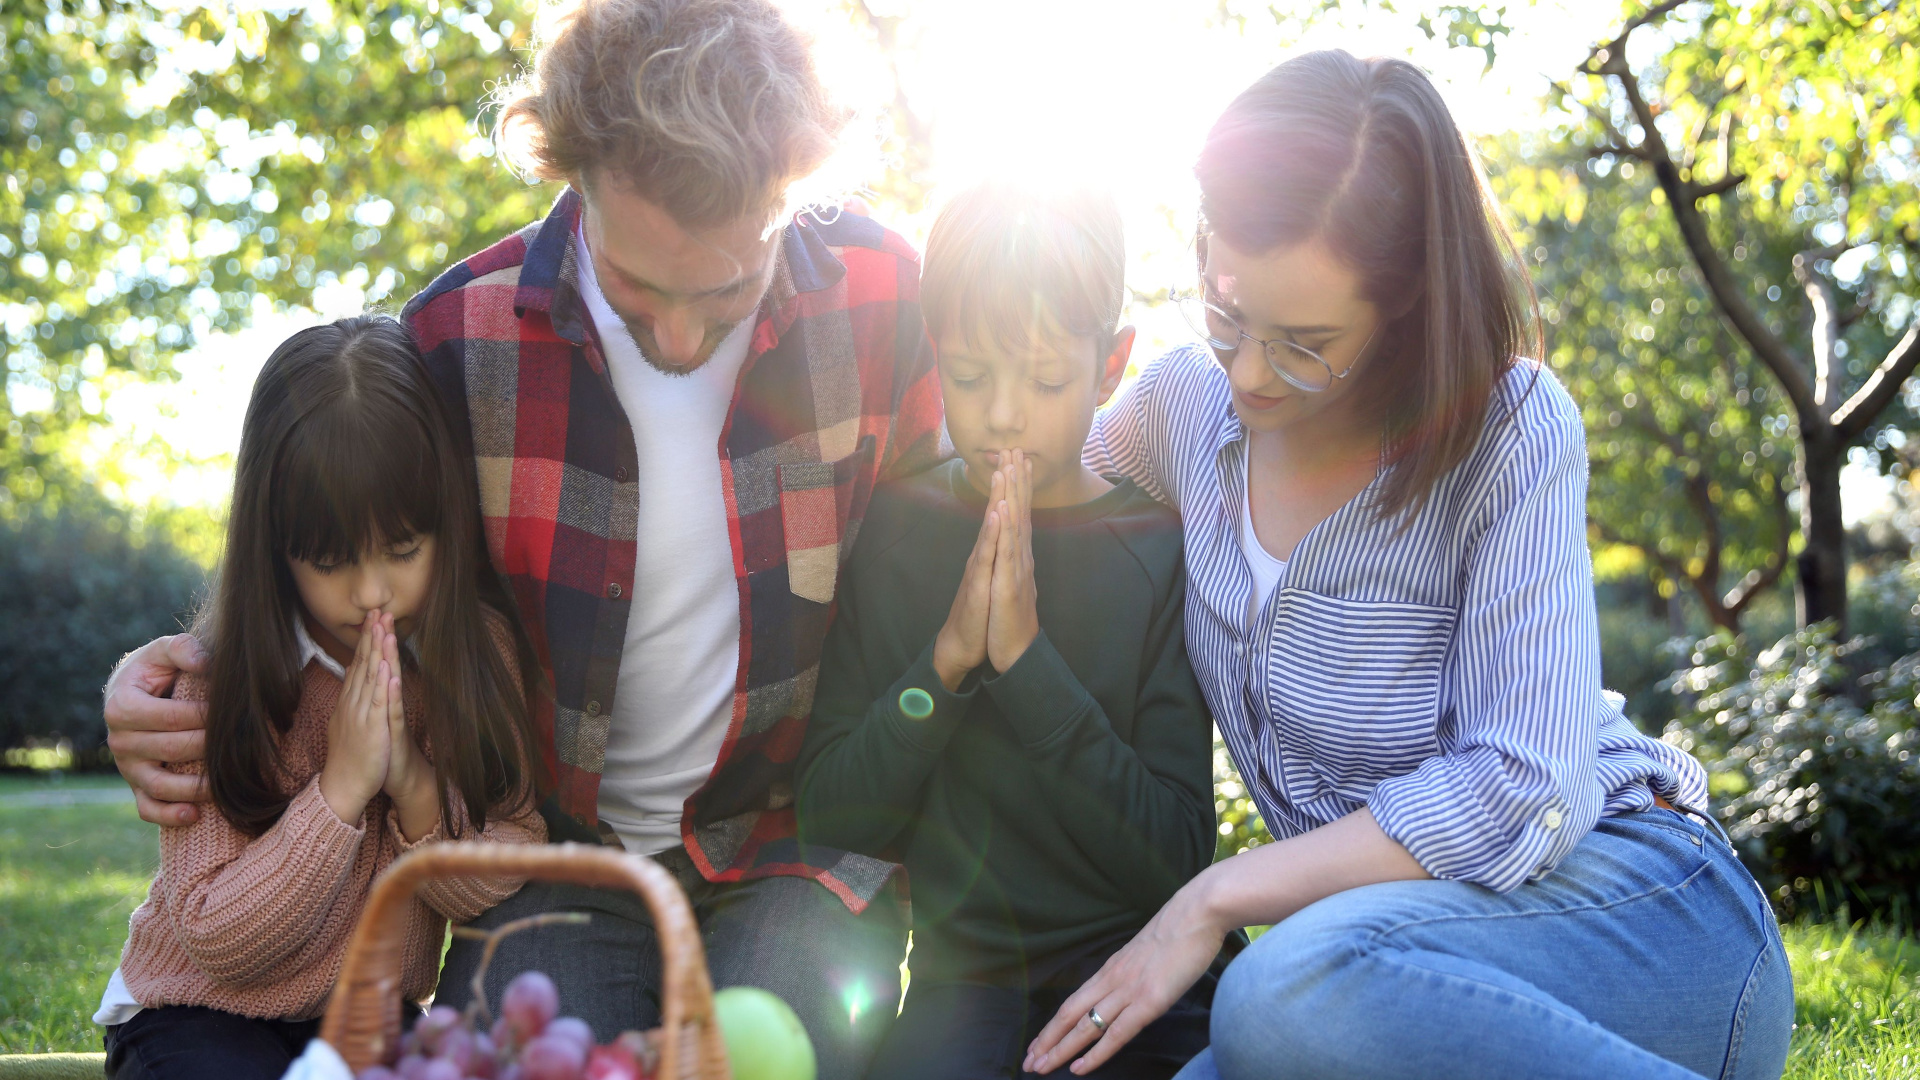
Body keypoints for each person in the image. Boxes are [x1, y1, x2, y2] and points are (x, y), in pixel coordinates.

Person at [99, 2, 943, 1074]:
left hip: (791, 845)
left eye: (729, 285)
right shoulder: (456, 342)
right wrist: (172, 671)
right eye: (642, 285)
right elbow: (328, 538)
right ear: (570, 171)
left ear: (797, 188)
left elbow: (985, 518)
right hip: (550, 855)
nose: (681, 337)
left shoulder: (886, 299)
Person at [1021, 51, 1794, 1080]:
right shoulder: (1177, 410)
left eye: (1305, 343)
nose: (1250, 371)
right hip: (1375, 978)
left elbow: (1524, 787)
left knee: (1276, 994)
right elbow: (1036, 478)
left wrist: (1214, 896)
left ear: (1406, 309)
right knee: (1262, 1028)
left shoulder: (1509, 429)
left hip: (1636, 914)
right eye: (1227, 317)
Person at [797, 183, 1219, 1080]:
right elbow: (834, 813)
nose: (1002, 415)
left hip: (1139, 966)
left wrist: (1026, 664)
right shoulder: (900, 529)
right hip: (964, 983)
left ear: (1111, 366)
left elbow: (1175, 856)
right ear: (934, 354)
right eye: (971, 376)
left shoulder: (1154, 546)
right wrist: (947, 664)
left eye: (1046, 380)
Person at [93, 316, 546, 1080]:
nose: (372, 591)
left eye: (403, 550)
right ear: (277, 544)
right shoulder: (224, 676)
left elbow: (507, 863)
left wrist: (410, 784)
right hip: (197, 1012)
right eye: (332, 560)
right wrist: (339, 789)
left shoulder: (477, 656)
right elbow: (219, 942)